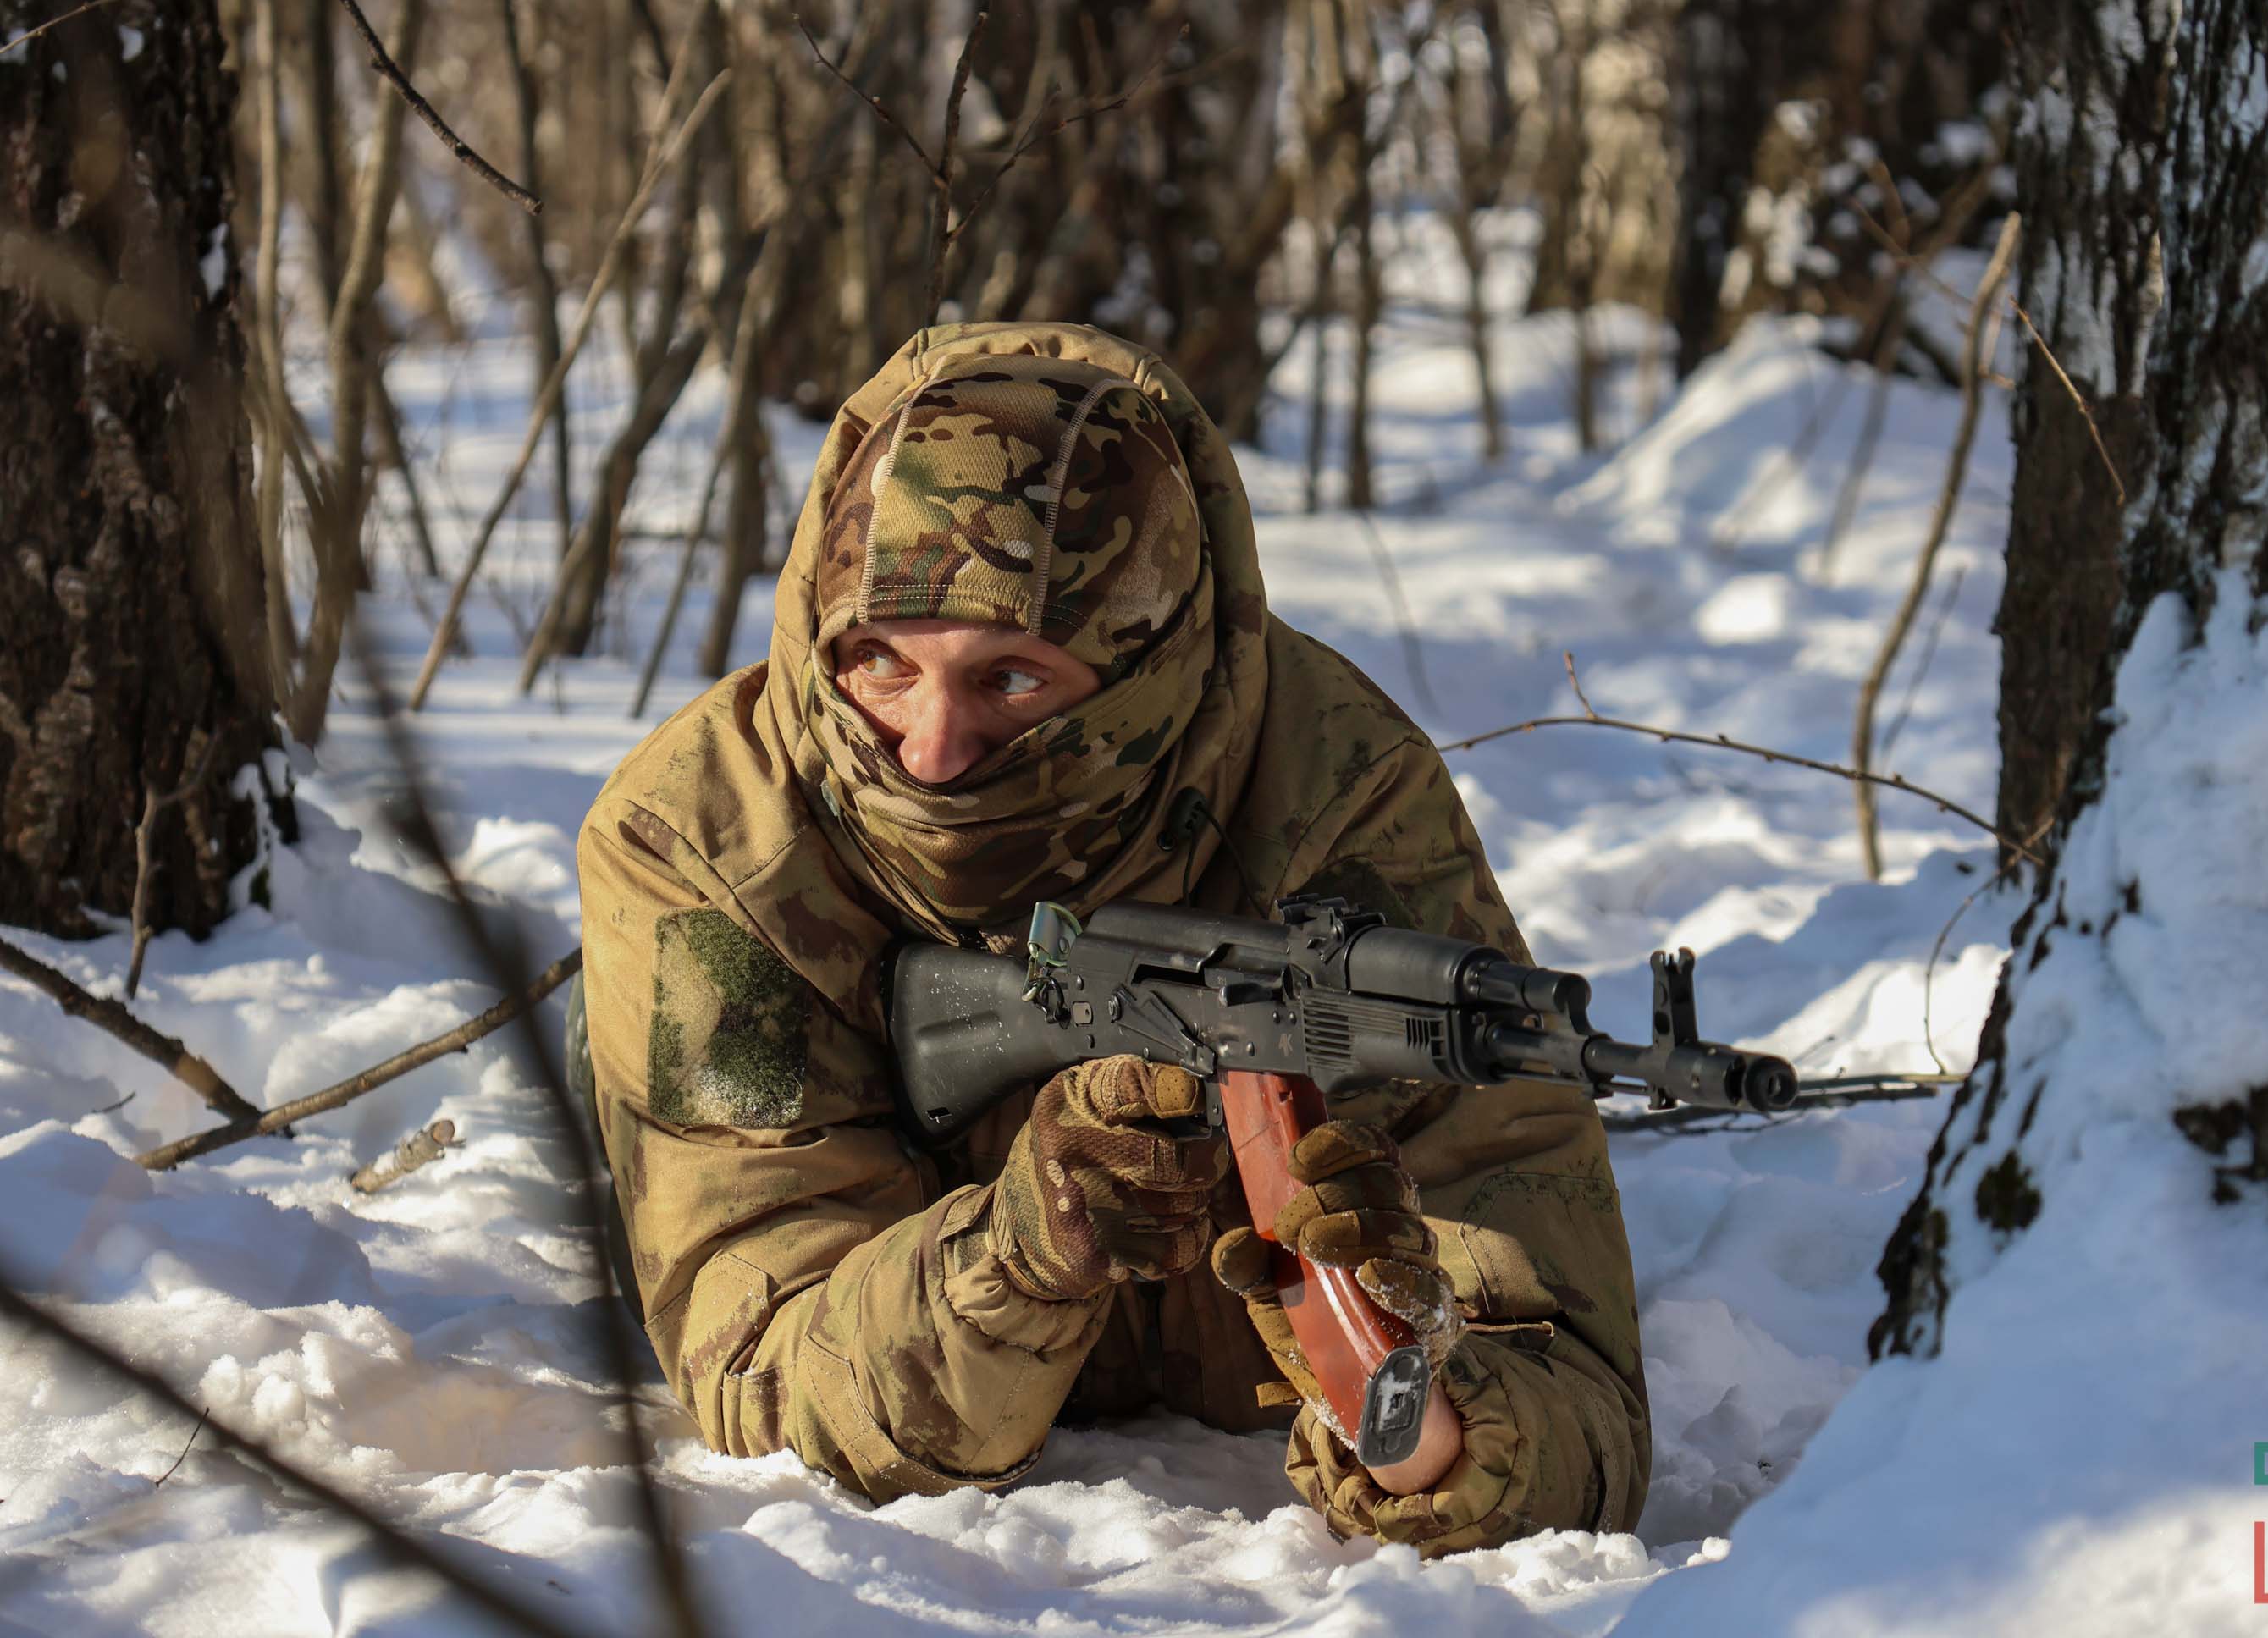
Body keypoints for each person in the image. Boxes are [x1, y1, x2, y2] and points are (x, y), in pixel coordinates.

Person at [574, 322, 1647, 1556]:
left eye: (1013, 681)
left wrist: (1421, 1391)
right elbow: (760, 1374)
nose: (931, 749)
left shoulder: (1331, 790)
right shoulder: (707, 837)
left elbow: (1573, 1383)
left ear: (1148, 670)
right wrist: (1023, 1250)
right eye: (879, 664)